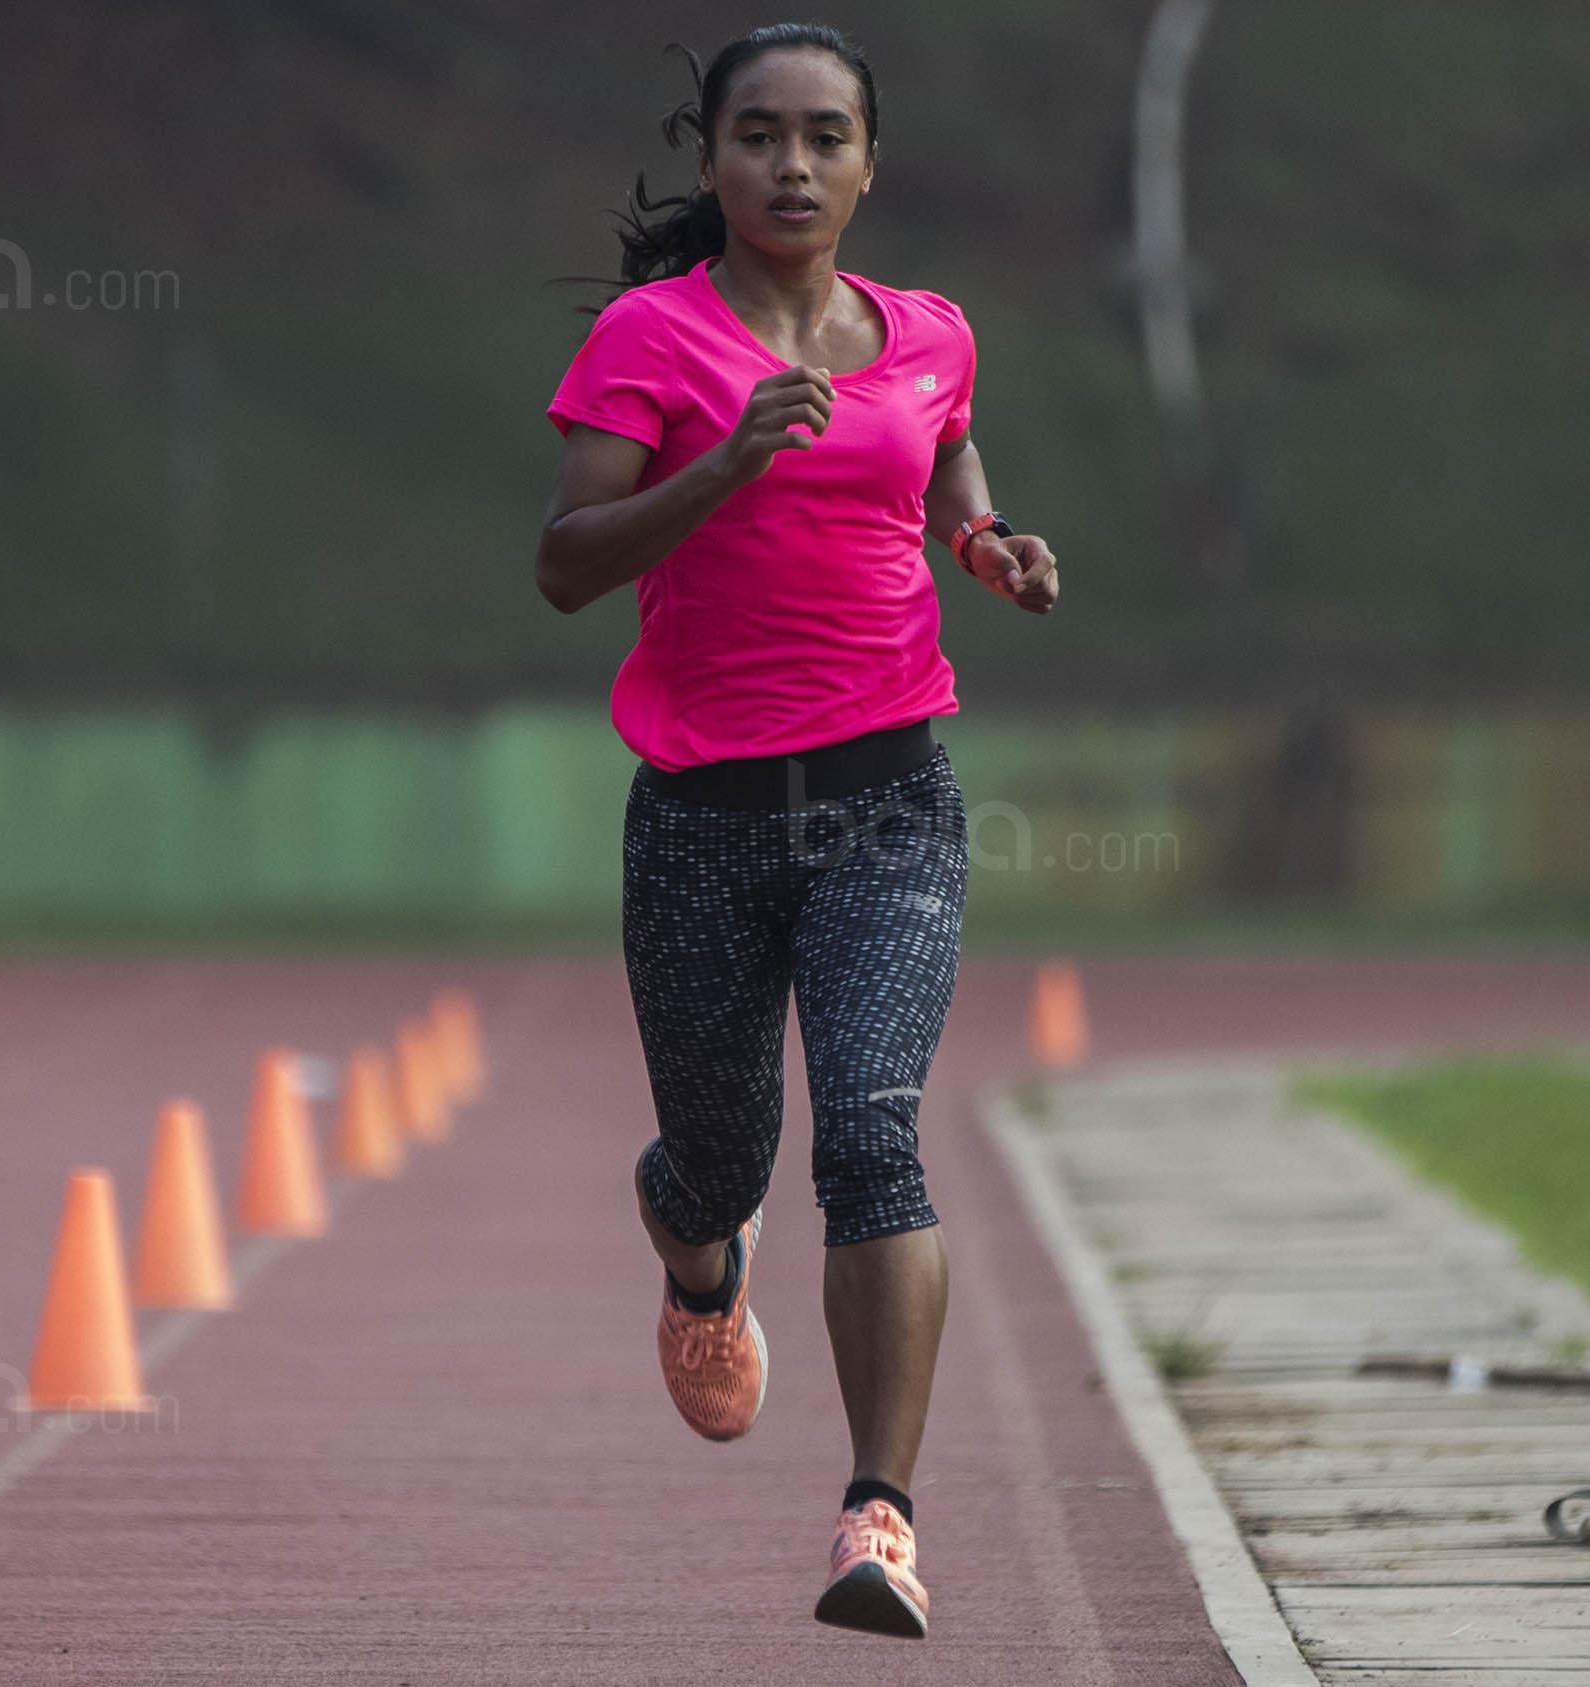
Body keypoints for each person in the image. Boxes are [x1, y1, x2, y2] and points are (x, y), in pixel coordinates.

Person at [538, 22, 1059, 1640]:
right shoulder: (648, 339)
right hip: (698, 817)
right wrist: (726, 467)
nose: (793, 164)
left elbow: (942, 442)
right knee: (719, 1157)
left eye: (825, 136)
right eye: (759, 135)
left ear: (868, 163)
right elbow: (565, 562)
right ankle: (701, 1267)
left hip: (888, 799)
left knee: (874, 1132)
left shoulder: (926, 332)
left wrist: (980, 538)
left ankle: (880, 1517)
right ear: (710, 160)